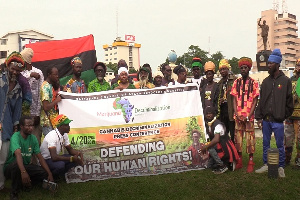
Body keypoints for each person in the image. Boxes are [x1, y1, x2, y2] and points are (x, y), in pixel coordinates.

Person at [255, 49, 293, 178]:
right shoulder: (265, 82)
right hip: (266, 120)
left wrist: (283, 115)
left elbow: (289, 102)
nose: (268, 65)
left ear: (277, 64)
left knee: (279, 144)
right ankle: (266, 164)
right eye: (268, 63)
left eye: (271, 63)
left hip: (278, 121)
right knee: (266, 143)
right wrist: (259, 117)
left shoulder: (285, 81)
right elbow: (261, 101)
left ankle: (281, 166)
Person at [4, 116, 54, 199]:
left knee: (43, 172)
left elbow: (40, 157)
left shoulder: (33, 138)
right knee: (16, 166)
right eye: (28, 126)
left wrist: (49, 173)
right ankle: (14, 193)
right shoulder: (15, 137)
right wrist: (23, 172)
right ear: (21, 126)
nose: (31, 128)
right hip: (11, 167)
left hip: (25, 165)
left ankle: (26, 184)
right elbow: (18, 155)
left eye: (32, 125)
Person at [230, 57, 259, 173]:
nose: (243, 70)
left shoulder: (254, 83)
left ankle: (251, 161)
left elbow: (255, 101)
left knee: (250, 139)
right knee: (238, 139)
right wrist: (236, 114)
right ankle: (240, 160)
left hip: (249, 117)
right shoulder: (236, 82)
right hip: (238, 117)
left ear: (249, 68)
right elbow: (233, 99)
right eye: (241, 68)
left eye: (245, 67)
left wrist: (248, 115)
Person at [0, 52, 23, 193]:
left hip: (7, 127)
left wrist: (15, 127)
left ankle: (1, 185)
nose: (14, 71)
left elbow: (17, 111)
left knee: (2, 159)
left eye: (18, 70)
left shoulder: (18, 89)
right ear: (8, 66)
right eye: (13, 68)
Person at [199, 106, 239, 174]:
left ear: (213, 114)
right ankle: (217, 163)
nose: (208, 115)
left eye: (210, 113)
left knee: (210, 147)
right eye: (207, 114)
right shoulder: (209, 124)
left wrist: (205, 147)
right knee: (210, 166)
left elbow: (216, 139)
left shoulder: (217, 124)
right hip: (219, 144)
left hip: (224, 146)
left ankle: (222, 165)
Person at [20, 48, 44, 145]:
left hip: (35, 114)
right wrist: (30, 75)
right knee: (23, 142)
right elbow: (19, 81)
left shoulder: (39, 72)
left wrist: (37, 113)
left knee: (35, 141)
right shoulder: (20, 73)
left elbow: (40, 94)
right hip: (22, 114)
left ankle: (35, 160)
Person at [217, 59, 236, 142]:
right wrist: (219, 101)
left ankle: (234, 153)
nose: (223, 71)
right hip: (223, 112)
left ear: (228, 69)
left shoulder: (234, 80)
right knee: (224, 134)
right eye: (221, 69)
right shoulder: (219, 83)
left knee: (233, 135)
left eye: (224, 69)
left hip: (232, 112)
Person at [40, 67, 61, 136]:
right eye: (55, 74)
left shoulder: (50, 85)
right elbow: (46, 107)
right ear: (49, 75)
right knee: (50, 142)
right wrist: (56, 101)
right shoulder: (45, 87)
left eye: (57, 74)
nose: (57, 76)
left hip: (53, 120)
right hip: (47, 121)